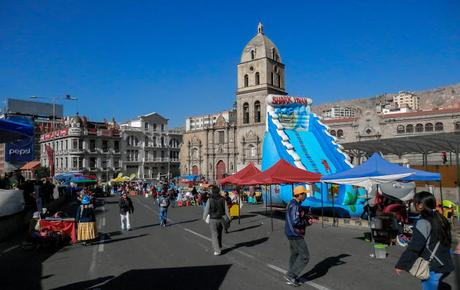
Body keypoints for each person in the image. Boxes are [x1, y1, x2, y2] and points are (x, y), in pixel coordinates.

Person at [395, 191, 454, 290]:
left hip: (433, 266)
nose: (414, 205)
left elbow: (415, 246)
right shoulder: (441, 218)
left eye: (415, 203)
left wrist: (401, 265)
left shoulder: (423, 222)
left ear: (421, 205)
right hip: (445, 262)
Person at [284, 185, 312, 287]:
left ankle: (292, 276)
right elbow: (296, 221)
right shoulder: (295, 205)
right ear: (299, 195)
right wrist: (307, 221)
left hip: (290, 233)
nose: (306, 195)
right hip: (295, 233)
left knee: (295, 255)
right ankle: (291, 275)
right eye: (304, 194)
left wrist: (305, 216)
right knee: (305, 256)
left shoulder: (292, 203)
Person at [203, 185, 230, 256]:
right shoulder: (223, 199)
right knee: (219, 233)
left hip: (213, 219)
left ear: (212, 191)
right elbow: (227, 209)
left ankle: (217, 250)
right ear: (219, 191)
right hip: (221, 218)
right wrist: (229, 218)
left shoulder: (210, 199)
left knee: (214, 234)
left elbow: (206, 210)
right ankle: (219, 245)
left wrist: (204, 217)